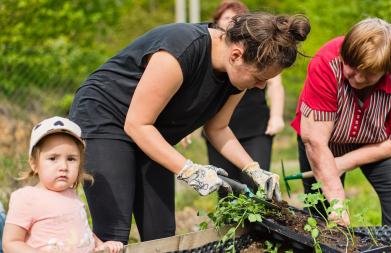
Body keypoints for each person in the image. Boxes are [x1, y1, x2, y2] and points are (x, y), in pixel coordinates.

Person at [68, 13, 310, 243]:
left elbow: (218, 128)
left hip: (152, 130)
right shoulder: (181, 49)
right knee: (114, 232)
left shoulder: (236, 75)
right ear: (236, 55)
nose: (261, 86)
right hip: (106, 118)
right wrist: (189, 170)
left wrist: (253, 168)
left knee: (161, 233)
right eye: (258, 78)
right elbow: (137, 124)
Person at [291, 18, 391, 226]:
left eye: (368, 74)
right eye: (351, 67)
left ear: (386, 70)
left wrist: (344, 162)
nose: (358, 79)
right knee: (321, 214)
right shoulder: (326, 64)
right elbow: (315, 141)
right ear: (343, 54)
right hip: (325, 142)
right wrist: (337, 203)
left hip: (380, 144)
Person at [2, 117, 123, 253]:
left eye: (71, 159)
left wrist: (100, 245)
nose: (64, 166)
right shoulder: (27, 197)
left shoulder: (72, 195)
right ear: (34, 163)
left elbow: (82, 232)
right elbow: (10, 243)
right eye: (53, 158)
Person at [203, 0, 286, 192]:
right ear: (216, 22)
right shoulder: (211, 54)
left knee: (256, 183)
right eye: (227, 18)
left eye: (237, 19)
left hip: (254, 123)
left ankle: (258, 222)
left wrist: (276, 116)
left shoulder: (261, 51)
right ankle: (232, 223)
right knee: (226, 186)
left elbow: (275, 84)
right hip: (217, 123)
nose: (232, 22)